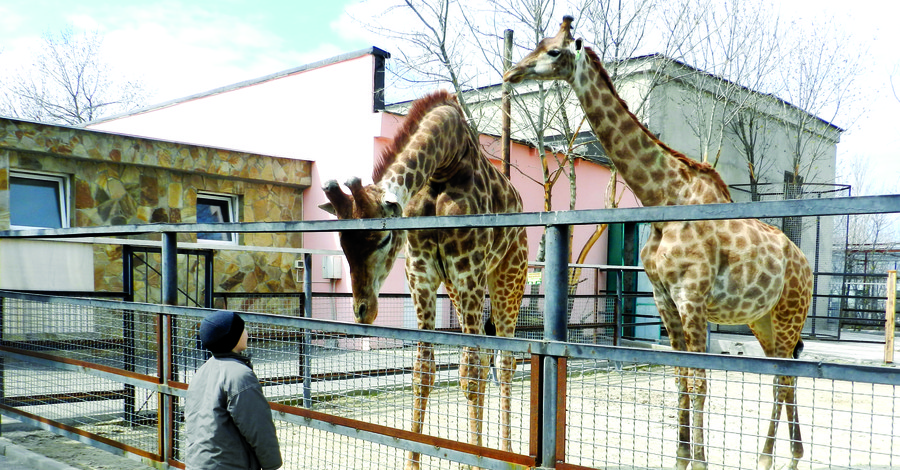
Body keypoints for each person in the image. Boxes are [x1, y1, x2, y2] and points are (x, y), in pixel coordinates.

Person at [185, 311, 282, 470]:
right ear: (232, 338)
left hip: (198, 462)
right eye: (242, 329)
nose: (246, 332)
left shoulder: (203, 370)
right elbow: (258, 427)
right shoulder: (239, 376)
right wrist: (272, 464)